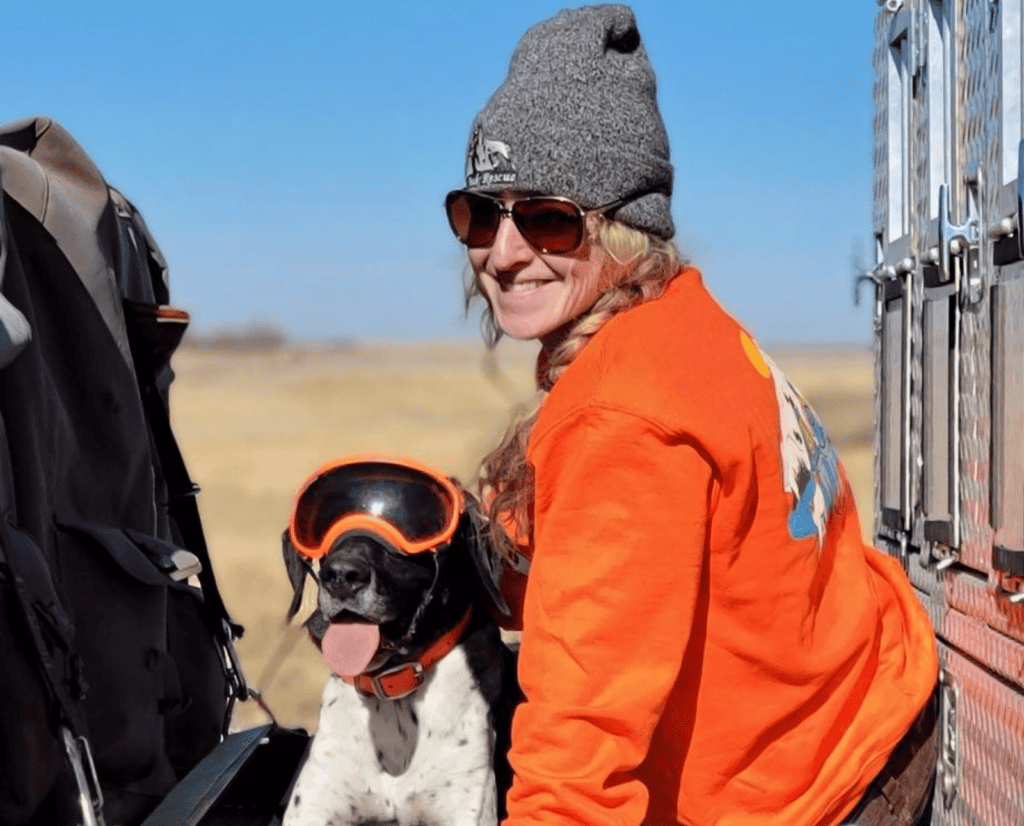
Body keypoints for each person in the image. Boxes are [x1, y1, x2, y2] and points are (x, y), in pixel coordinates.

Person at [442, 6, 940, 826]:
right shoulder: (681, 319)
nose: (501, 251)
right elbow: (646, 555)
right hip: (868, 711)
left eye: (548, 218)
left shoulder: (620, 419)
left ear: (627, 225)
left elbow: (578, 763)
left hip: (812, 794)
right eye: (480, 211)